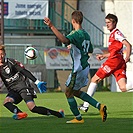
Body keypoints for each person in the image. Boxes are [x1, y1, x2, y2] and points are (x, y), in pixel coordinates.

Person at [44, 10, 107, 123]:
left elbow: (64, 40)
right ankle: (99, 106)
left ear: (73, 21)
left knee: (68, 92)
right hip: (85, 67)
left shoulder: (75, 34)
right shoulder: (86, 34)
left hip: (78, 68)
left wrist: (52, 26)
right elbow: (90, 50)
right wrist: (74, 47)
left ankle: (78, 118)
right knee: (76, 92)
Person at [79, 13, 132, 112]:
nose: (107, 25)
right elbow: (115, 52)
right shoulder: (113, 34)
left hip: (114, 62)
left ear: (114, 23)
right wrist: (104, 56)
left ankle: (85, 105)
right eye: (106, 22)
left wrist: (127, 56)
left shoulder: (116, 33)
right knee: (123, 88)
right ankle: (85, 105)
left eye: (109, 22)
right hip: (118, 61)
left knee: (94, 79)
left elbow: (128, 45)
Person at [0, 44, 64, 120]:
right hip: (13, 90)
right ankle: (20, 113)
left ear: (5, 54)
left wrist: (37, 82)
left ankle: (58, 114)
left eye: (1, 54)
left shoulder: (11, 62)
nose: (0, 56)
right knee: (6, 102)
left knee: (32, 108)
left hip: (23, 87)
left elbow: (24, 71)